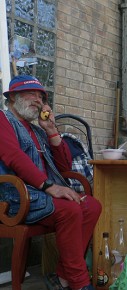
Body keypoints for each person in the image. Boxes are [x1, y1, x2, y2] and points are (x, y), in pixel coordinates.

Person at [0, 75, 102, 290]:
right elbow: (13, 157)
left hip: (41, 196)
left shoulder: (38, 130)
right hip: (17, 198)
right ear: (13, 98)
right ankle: (80, 282)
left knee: (92, 206)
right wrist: (49, 186)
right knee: (70, 210)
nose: (38, 100)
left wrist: (52, 131)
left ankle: (63, 277)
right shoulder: (3, 120)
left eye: (41, 96)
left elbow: (64, 166)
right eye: (31, 94)